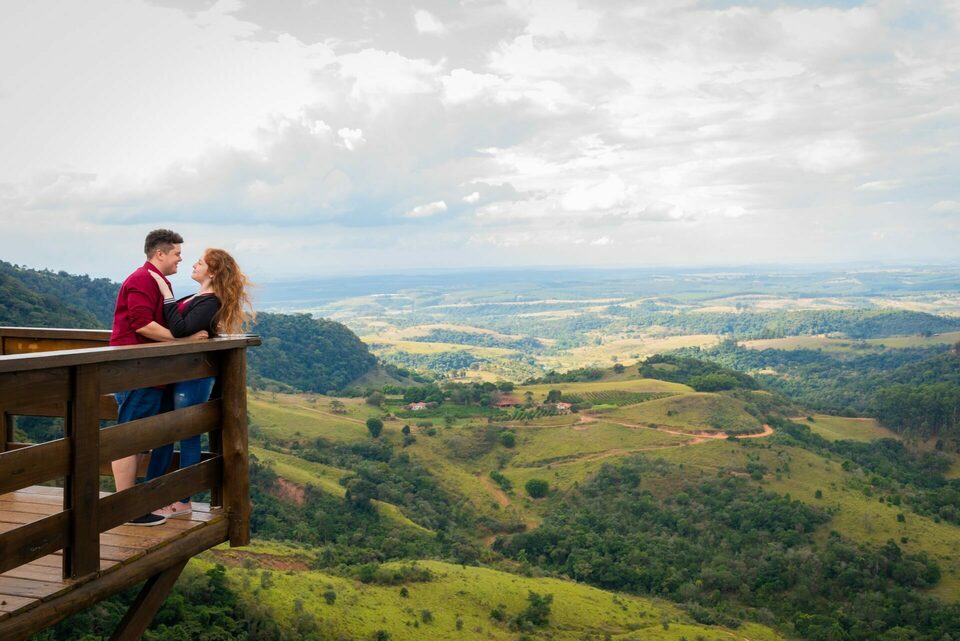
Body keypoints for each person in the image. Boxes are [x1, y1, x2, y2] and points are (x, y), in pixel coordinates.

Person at [145, 248, 254, 518]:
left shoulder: (210, 302)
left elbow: (180, 329)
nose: (194, 264)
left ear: (213, 272)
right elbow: (180, 328)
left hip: (193, 376)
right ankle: (157, 496)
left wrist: (166, 294)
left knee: (187, 434)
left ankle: (182, 501)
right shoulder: (200, 297)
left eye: (200, 262)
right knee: (171, 432)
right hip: (183, 373)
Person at [110, 229, 208, 527]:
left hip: (148, 370)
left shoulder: (159, 281)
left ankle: (132, 505)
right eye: (177, 253)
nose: (181, 258)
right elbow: (143, 325)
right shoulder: (142, 279)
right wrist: (183, 340)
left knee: (139, 437)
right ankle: (126, 508)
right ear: (160, 253)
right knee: (129, 437)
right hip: (135, 369)